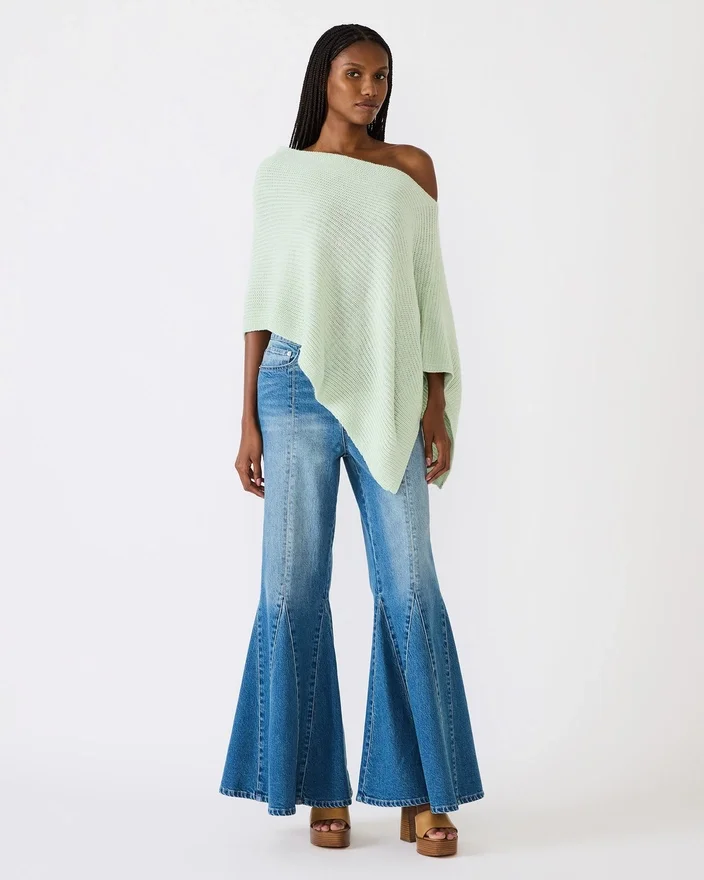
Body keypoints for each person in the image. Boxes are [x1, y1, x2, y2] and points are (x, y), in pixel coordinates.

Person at [218, 23, 484, 858]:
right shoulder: (281, 175)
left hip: (394, 385)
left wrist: (436, 400)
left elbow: (428, 290)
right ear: (323, 80)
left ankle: (423, 794)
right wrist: (246, 416)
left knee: (409, 588)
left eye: (381, 76)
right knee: (290, 590)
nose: (370, 89)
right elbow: (263, 299)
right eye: (353, 74)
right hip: (292, 385)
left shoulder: (411, 168)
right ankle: (321, 787)